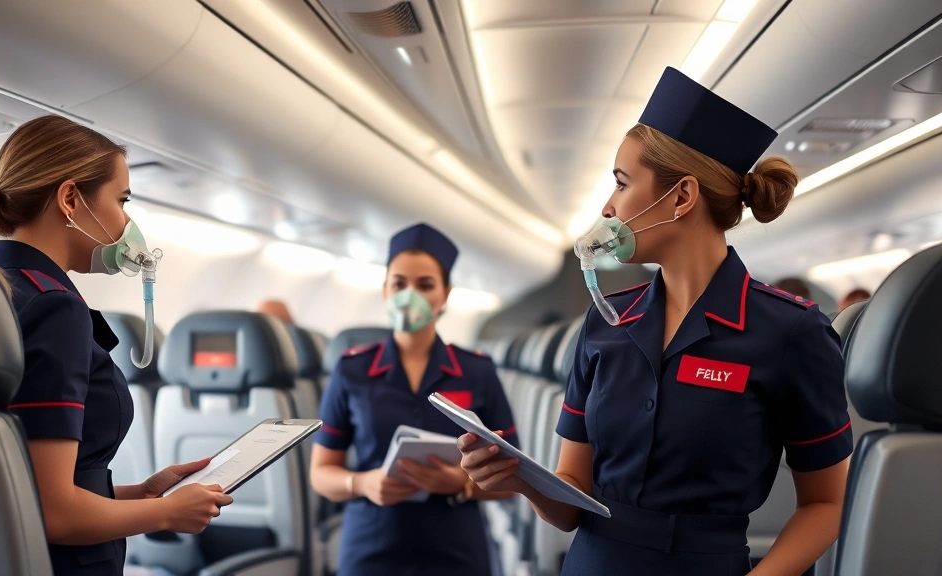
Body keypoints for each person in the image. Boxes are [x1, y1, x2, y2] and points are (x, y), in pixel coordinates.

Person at [458, 67, 852, 575]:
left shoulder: (791, 333)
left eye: (621, 183)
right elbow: (572, 500)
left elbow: (826, 503)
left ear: (681, 198)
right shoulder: (604, 324)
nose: (607, 206)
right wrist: (519, 479)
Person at [0, 115, 233, 576]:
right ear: (71, 199)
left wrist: (145, 492)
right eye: (122, 200)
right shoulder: (55, 309)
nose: (127, 220)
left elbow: (22, 484)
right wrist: (166, 514)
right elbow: (56, 512)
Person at [309, 223, 518, 576]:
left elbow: (513, 480)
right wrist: (361, 483)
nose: (410, 295)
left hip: (456, 549)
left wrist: (461, 484)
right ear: (384, 290)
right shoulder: (351, 370)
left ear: (446, 294)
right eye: (399, 283)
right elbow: (321, 473)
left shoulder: (477, 371)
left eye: (425, 285)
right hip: (370, 548)